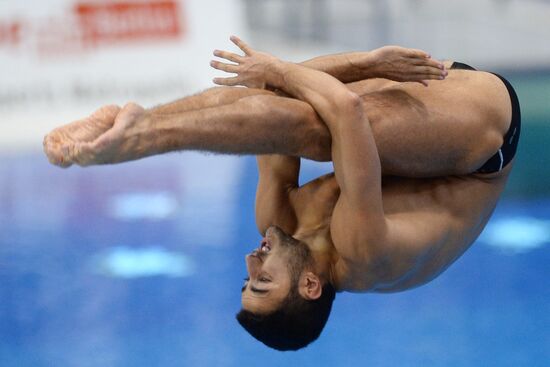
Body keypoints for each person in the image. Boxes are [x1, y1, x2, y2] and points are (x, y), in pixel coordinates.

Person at [43, 37, 520, 351]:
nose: (251, 262)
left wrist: (358, 65)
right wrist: (305, 67)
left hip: (418, 122)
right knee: (319, 130)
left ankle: (140, 120)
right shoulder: (363, 254)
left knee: (276, 101)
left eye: (246, 280)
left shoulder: (277, 222)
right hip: (480, 145)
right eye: (262, 281)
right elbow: (344, 109)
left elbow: (270, 96)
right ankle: (140, 139)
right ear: (310, 286)